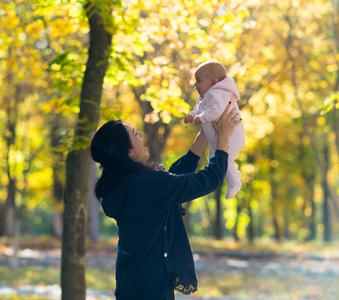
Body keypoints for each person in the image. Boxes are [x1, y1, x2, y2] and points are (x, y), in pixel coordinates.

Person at [90, 103, 241, 300]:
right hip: (151, 289)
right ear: (128, 153)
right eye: (135, 135)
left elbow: (174, 178)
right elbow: (210, 179)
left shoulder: (122, 184)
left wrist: (204, 132)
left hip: (131, 283)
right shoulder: (146, 184)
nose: (142, 136)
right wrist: (223, 137)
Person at [185, 60, 245, 199]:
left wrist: (201, 118)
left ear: (214, 81)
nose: (195, 84)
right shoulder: (204, 96)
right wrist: (192, 115)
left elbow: (216, 111)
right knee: (213, 161)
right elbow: (199, 109)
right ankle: (234, 175)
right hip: (216, 139)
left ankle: (235, 182)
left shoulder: (219, 92)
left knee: (226, 159)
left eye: (198, 81)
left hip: (232, 136)